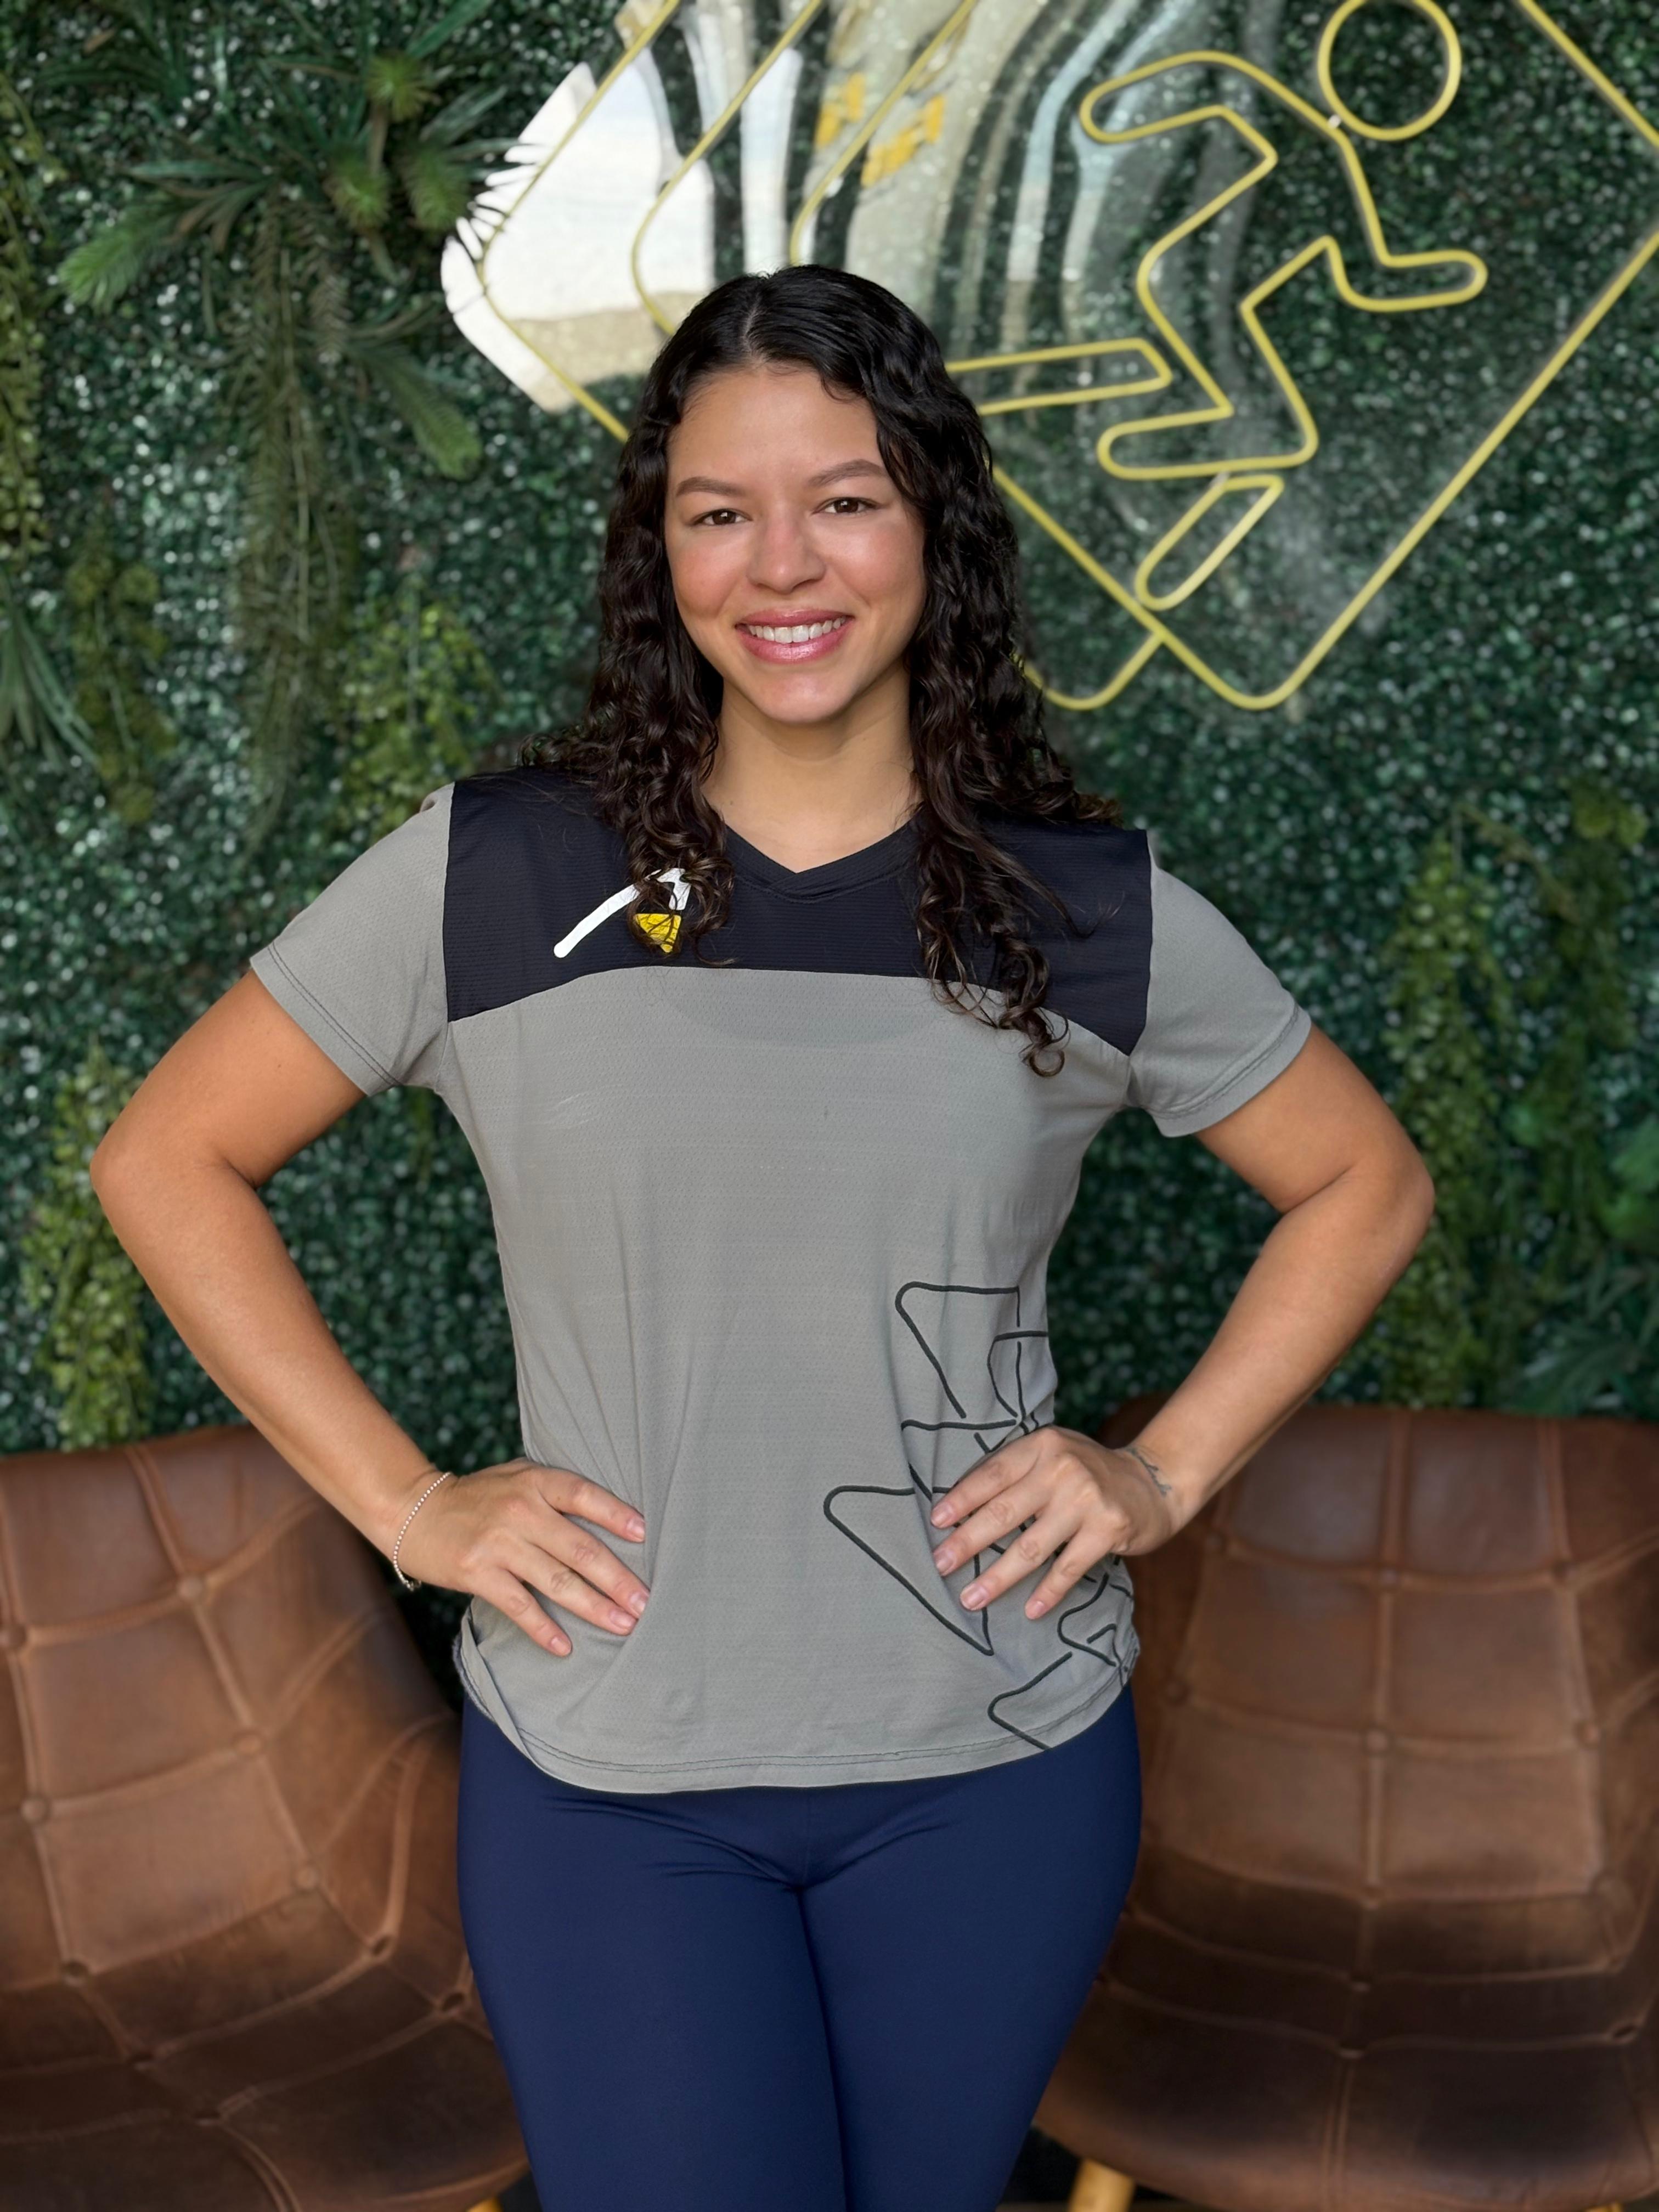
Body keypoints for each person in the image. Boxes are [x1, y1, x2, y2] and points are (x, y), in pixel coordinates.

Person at [90, 263, 1434, 2212]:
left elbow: (1365, 1182)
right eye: (721, 511)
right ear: (663, 552)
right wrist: (407, 1506)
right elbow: (167, 1158)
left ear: (933, 529)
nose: (782, 563)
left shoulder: (1082, 906)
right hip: (613, 1779)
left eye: (845, 499)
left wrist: (1159, 1473)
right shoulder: (502, 872)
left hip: (995, 1769)